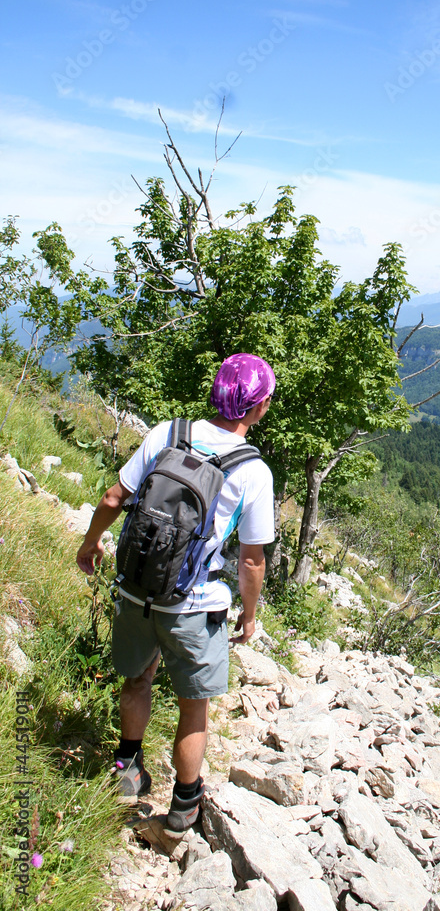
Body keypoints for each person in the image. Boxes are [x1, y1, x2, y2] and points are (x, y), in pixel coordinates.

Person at [76, 353, 275, 832]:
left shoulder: (168, 431)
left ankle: (127, 770)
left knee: (137, 679)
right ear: (258, 405)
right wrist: (249, 616)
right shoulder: (252, 470)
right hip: (194, 602)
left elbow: (113, 497)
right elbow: (251, 559)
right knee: (194, 704)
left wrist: (90, 543)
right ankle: (184, 805)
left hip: (138, 588)